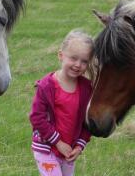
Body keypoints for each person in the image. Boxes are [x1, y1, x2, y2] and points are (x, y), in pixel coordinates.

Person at [29, 29, 94, 176]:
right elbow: (36, 118)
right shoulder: (47, 86)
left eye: (84, 61)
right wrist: (58, 142)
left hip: (69, 151)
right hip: (46, 148)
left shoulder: (87, 88)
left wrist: (79, 146)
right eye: (73, 58)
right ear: (61, 55)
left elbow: (88, 121)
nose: (78, 64)